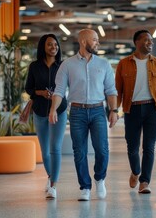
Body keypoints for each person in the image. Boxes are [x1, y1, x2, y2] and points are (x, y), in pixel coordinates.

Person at [49, 29, 118, 201]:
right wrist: (53, 110)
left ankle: (100, 179)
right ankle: (85, 187)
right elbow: (59, 91)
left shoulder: (104, 64)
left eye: (97, 40)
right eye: (94, 40)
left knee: (102, 149)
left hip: (97, 111)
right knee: (79, 151)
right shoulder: (67, 65)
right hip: (77, 112)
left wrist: (114, 110)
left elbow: (111, 90)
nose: (97, 43)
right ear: (83, 41)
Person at [115, 30, 156, 194]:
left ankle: (145, 181)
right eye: (147, 40)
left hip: (152, 109)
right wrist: (114, 110)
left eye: (152, 40)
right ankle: (135, 171)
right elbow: (118, 90)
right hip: (131, 109)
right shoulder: (124, 63)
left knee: (149, 147)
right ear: (137, 42)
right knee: (132, 147)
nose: (151, 43)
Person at [25, 34, 68, 199]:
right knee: (45, 151)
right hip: (40, 110)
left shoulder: (63, 65)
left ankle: (53, 185)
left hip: (59, 110)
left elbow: (67, 87)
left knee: (55, 147)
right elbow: (29, 89)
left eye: (56, 45)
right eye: (50, 44)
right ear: (43, 46)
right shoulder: (34, 66)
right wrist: (41, 92)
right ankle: (50, 176)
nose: (54, 47)